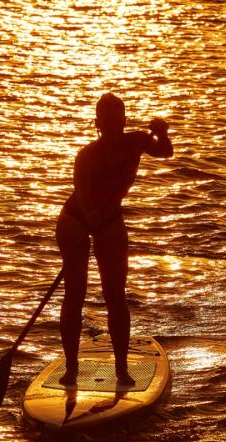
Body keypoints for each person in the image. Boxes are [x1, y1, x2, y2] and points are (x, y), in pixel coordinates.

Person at [56, 93, 173, 386]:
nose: (111, 125)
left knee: (115, 296)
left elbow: (165, 153)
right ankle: (71, 369)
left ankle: (121, 369)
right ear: (97, 123)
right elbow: (81, 194)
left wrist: (161, 132)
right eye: (105, 120)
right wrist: (91, 213)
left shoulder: (137, 141)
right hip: (76, 220)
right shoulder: (86, 155)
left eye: (116, 119)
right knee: (75, 294)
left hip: (110, 221)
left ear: (123, 121)